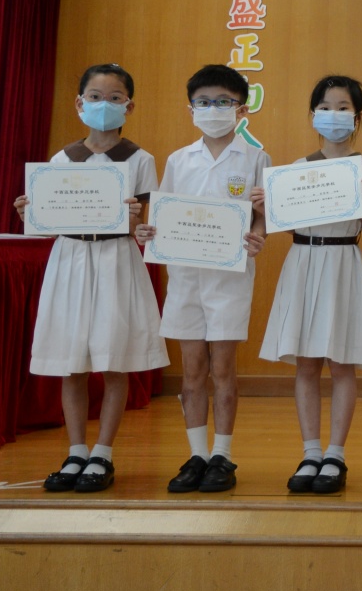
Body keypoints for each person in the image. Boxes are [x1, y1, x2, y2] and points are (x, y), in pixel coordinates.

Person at [18, 63, 165, 494]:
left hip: (116, 259)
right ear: (80, 103)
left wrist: (138, 221)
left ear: (129, 106)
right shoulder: (63, 159)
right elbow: (49, 221)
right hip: (71, 258)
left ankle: (103, 453)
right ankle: (76, 450)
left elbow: (143, 226)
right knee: (73, 362)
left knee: (114, 359)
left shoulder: (140, 159)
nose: (104, 105)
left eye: (115, 98)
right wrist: (29, 211)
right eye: (96, 97)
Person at [136, 63, 269, 495]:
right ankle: (196, 454)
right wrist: (147, 232)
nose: (213, 109)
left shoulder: (256, 158)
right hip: (185, 277)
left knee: (223, 368)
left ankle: (222, 455)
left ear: (241, 109)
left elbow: (264, 216)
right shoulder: (179, 159)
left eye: (224, 102)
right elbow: (163, 214)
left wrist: (258, 235)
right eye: (204, 102)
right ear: (190, 108)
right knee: (192, 369)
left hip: (230, 278)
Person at [257, 75, 362, 496]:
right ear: (313, 114)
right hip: (303, 261)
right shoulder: (297, 168)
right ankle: (310, 451)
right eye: (326, 107)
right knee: (306, 363)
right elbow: (286, 224)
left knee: (342, 363)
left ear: (358, 116)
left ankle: (336, 454)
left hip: (343, 261)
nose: (334, 115)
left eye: (343, 107)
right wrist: (269, 205)